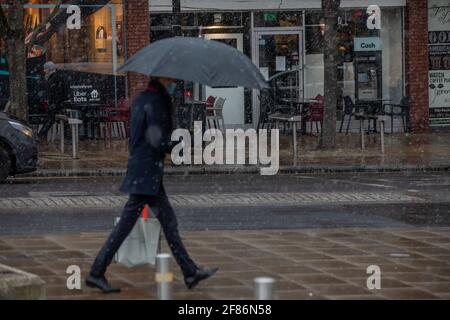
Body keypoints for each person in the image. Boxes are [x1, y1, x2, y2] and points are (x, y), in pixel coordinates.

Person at [86, 77, 218, 293]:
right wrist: (180, 142)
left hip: (144, 173)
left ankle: (190, 272)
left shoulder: (142, 99)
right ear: (163, 80)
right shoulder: (155, 101)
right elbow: (157, 141)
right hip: (146, 175)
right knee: (133, 228)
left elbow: (140, 136)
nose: (174, 83)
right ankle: (96, 272)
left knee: (165, 225)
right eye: (172, 80)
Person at [37, 61, 67, 141]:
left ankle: (40, 136)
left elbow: (58, 92)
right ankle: (40, 136)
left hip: (55, 104)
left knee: (50, 120)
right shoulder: (53, 78)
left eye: (45, 69)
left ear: (49, 69)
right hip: (55, 103)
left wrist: (54, 103)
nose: (44, 71)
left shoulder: (55, 78)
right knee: (51, 120)